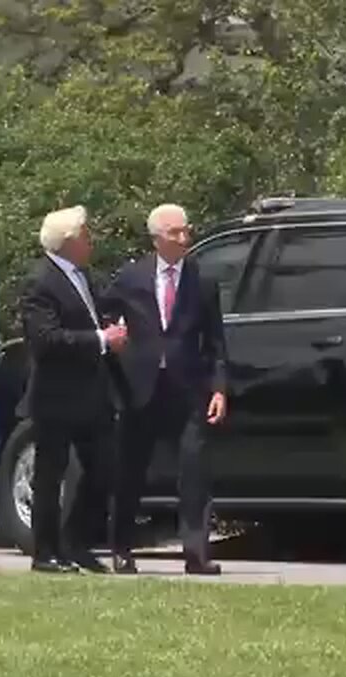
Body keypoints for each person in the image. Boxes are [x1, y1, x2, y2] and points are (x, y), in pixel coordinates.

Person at [101, 203, 229, 576]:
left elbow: (216, 341)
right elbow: (103, 311)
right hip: (140, 388)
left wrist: (219, 388)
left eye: (186, 231)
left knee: (194, 470)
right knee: (130, 471)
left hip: (188, 389)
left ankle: (196, 552)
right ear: (157, 238)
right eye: (175, 233)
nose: (184, 238)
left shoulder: (201, 281)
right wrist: (115, 337)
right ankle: (122, 548)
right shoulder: (132, 276)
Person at [18, 205, 127, 574]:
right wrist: (100, 338)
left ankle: (75, 541)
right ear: (66, 241)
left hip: (92, 393)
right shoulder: (41, 280)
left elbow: (96, 316)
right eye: (85, 234)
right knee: (50, 475)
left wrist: (111, 326)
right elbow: (45, 339)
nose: (90, 240)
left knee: (106, 468)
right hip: (56, 395)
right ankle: (45, 552)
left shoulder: (85, 277)